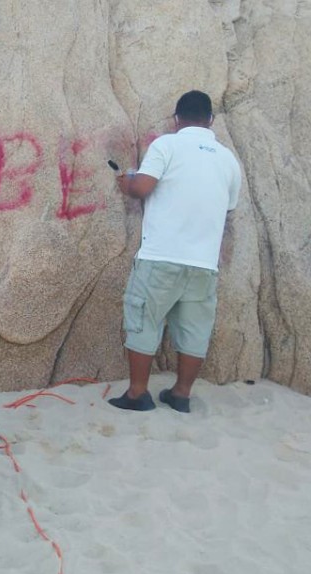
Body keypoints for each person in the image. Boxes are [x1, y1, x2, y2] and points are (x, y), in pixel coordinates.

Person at [109, 90, 242, 413]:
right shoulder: (228, 159)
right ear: (210, 120)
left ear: (176, 119)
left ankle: (138, 394)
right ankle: (181, 394)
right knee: (195, 329)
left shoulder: (167, 145)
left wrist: (125, 181)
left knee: (144, 321)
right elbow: (228, 207)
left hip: (162, 256)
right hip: (203, 264)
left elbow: (141, 188)